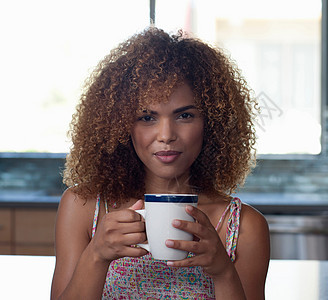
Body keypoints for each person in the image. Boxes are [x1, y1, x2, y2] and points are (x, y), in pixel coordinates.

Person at [50, 26, 270, 300]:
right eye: (147, 117)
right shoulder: (83, 206)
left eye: (185, 116)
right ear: (120, 126)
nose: (166, 135)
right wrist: (96, 255)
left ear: (212, 124)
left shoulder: (243, 226)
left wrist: (223, 272)